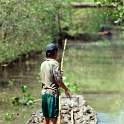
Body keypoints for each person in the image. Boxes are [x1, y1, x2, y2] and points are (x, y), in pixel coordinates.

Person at [40, 43, 71, 124]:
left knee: (46, 117)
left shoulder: (43, 64)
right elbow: (58, 80)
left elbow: (48, 75)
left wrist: (59, 73)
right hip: (52, 94)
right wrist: (66, 89)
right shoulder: (55, 64)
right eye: (57, 52)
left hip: (44, 93)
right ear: (55, 52)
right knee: (53, 118)